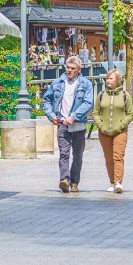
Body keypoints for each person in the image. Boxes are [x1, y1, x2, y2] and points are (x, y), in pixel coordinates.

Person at [42, 56, 94, 193]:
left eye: (73, 68)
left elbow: (88, 103)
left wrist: (74, 117)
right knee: (64, 154)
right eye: (68, 68)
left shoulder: (86, 84)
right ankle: (64, 180)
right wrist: (51, 115)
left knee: (78, 156)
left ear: (79, 70)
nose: (69, 70)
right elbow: (46, 100)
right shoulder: (57, 83)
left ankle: (75, 182)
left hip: (78, 125)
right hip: (62, 123)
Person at [92, 69, 133, 194]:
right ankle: (112, 182)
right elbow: (95, 112)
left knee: (118, 156)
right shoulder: (101, 95)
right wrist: (100, 125)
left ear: (118, 80)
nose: (108, 80)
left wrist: (121, 125)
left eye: (111, 78)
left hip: (120, 131)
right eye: (108, 78)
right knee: (109, 158)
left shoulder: (125, 95)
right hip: (104, 132)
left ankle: (118, 183)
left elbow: (130, 114)